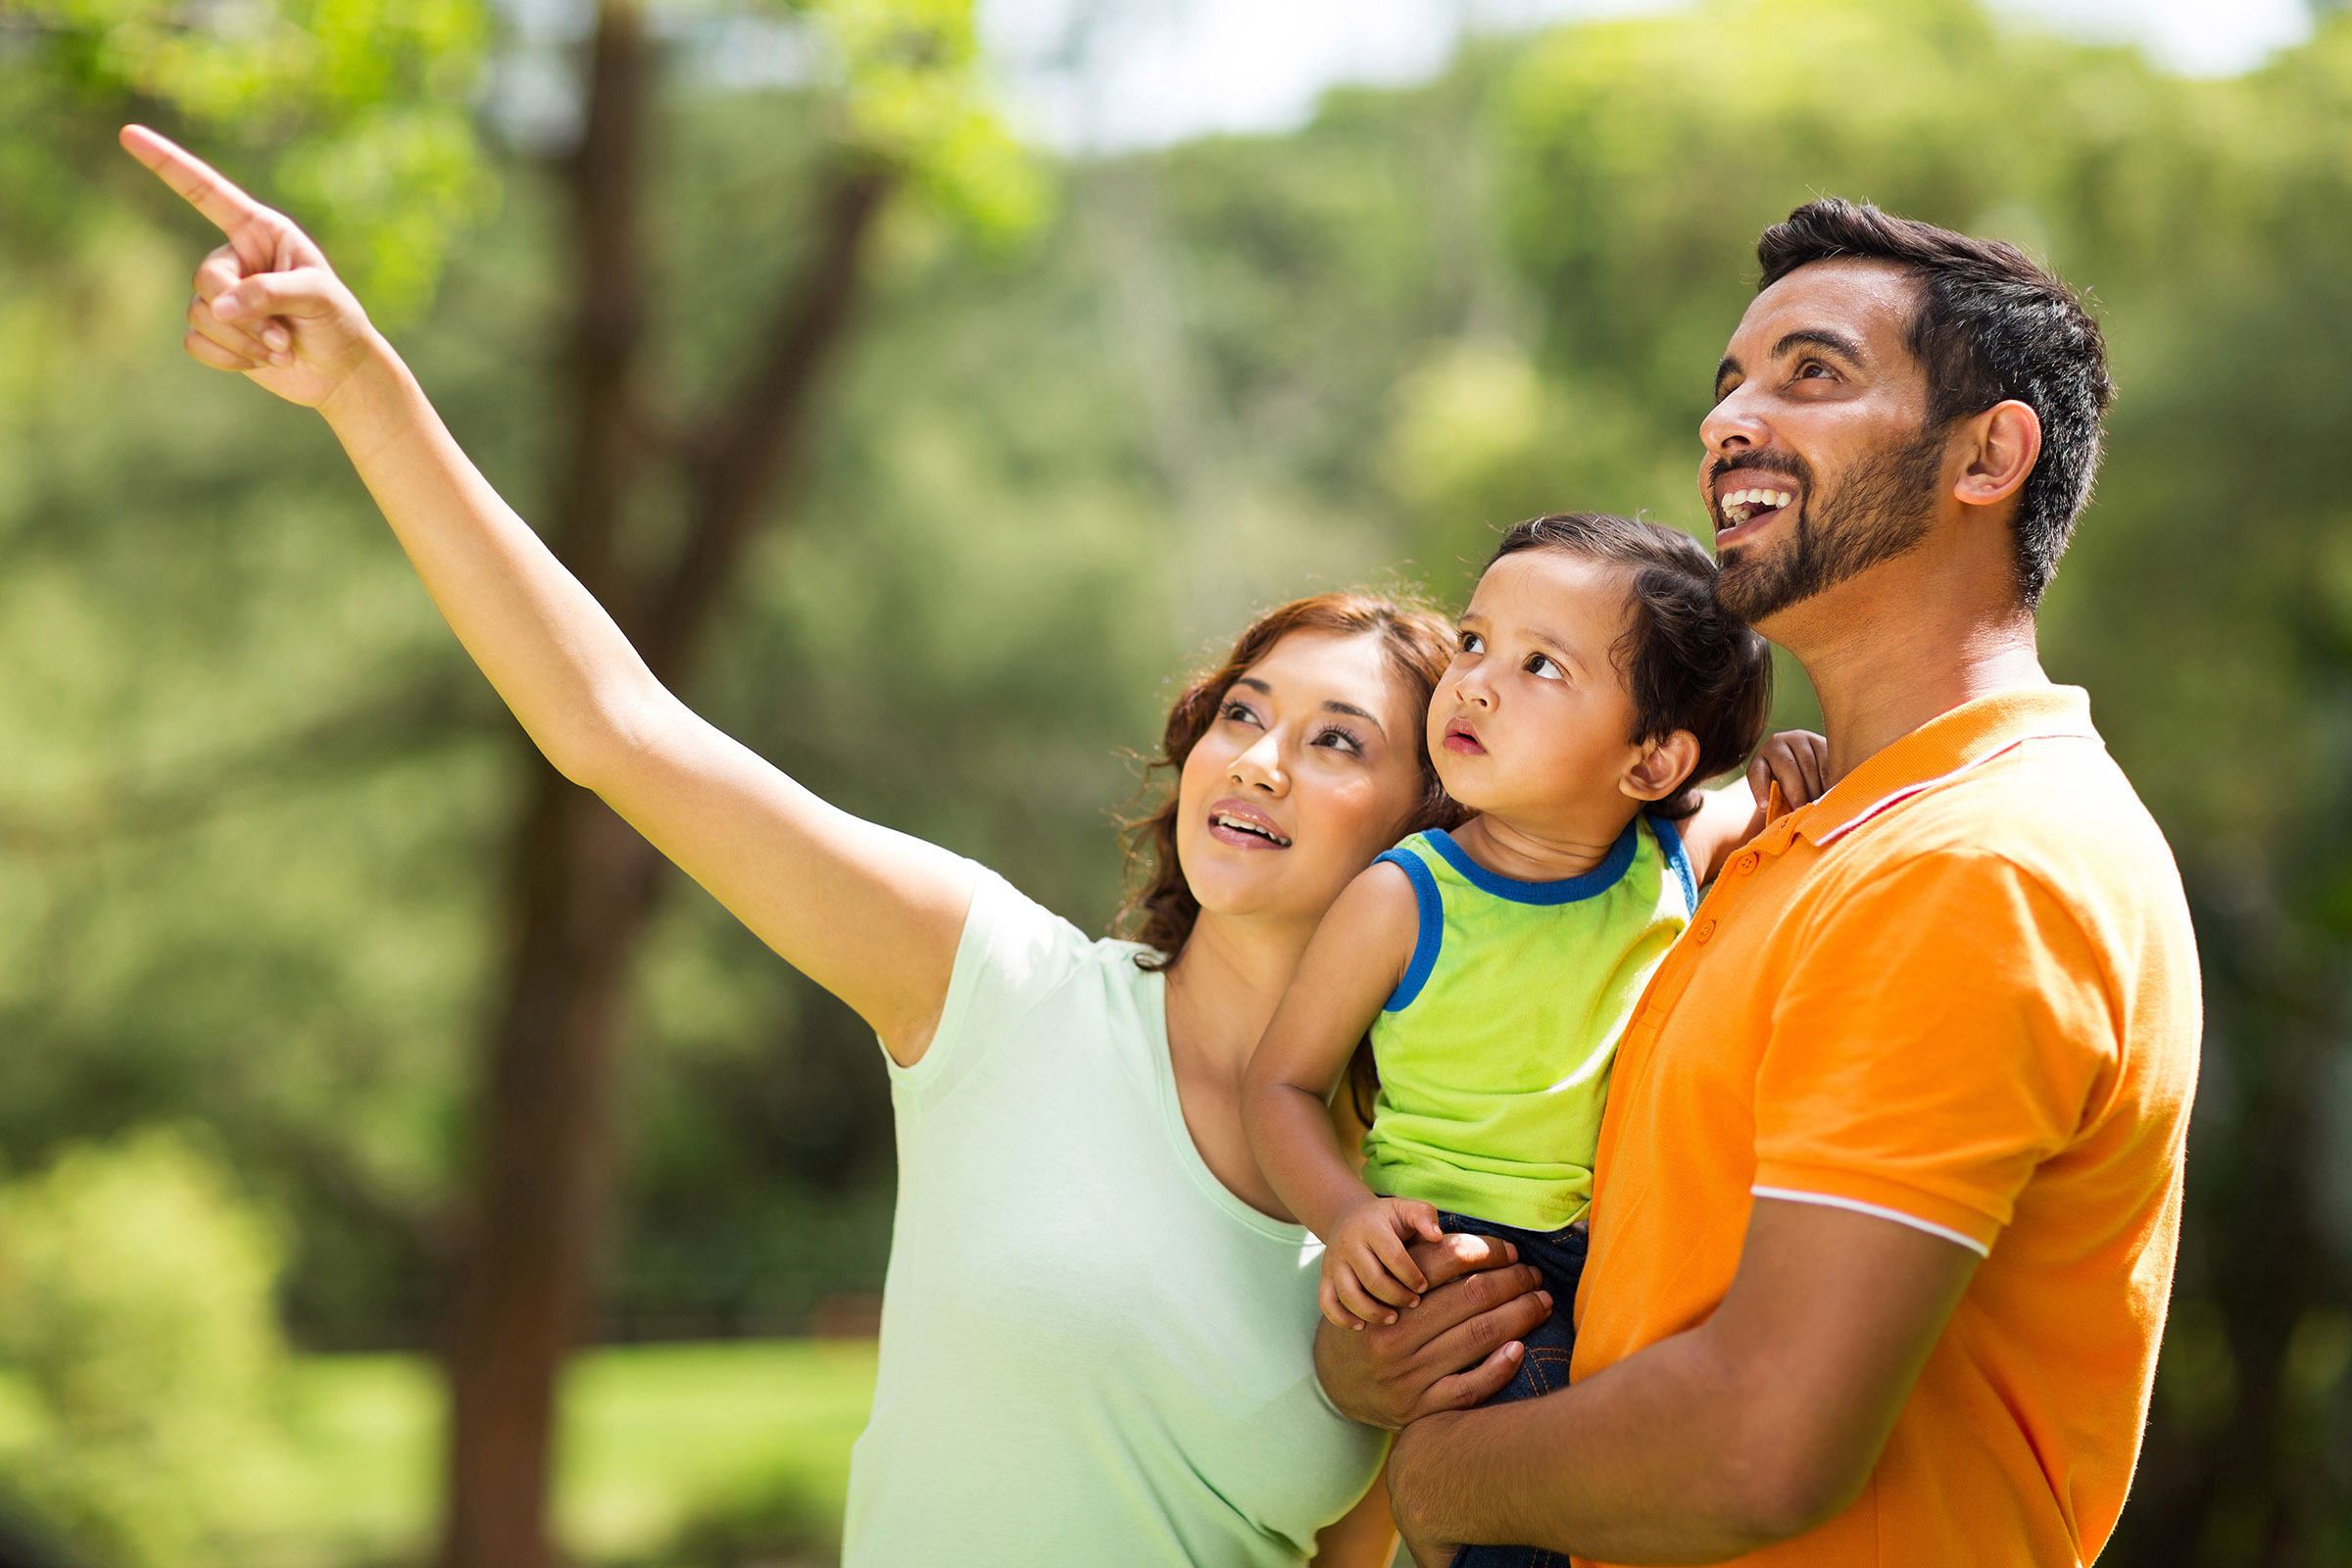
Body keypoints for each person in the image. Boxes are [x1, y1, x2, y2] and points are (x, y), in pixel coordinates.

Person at [120, 123, 1511, 1566]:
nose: (1260, 760)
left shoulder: (1419, 1199)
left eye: (1338, 740)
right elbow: (614, 726)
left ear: (1424, 824)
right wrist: (361, 388)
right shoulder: (1001, 995)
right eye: (1241, 711)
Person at [1319, 199, 2202, 1568]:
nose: (1729, 420)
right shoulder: (1793, 836)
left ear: (1989, 454)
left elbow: (1760, 1438)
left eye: (1813, 373)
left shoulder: (1973, 866)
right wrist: (1406, 1358)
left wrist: (1441, 1481)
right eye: (1729, 383)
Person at [1247, 513, 1814, 1568]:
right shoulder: (1406, 897)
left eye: (1539, 663)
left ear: (1651, 763)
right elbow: (1280, 1084)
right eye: (1473, 641)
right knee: (1525, 1521)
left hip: (1635, 1258)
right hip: (1467, 1262)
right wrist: (1348, 1213)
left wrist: (1790, 758)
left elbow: (1755, 801)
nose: (1473, 682)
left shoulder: (1676, 858)